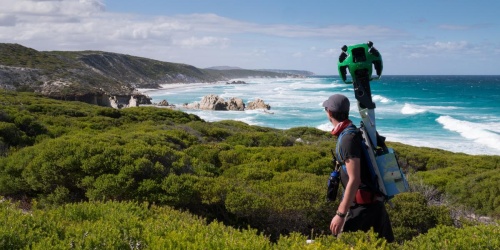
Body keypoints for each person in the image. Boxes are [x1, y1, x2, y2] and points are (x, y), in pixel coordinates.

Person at [323, 94, 394, 242]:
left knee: (346, 244)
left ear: (329, 112)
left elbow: (355, 180)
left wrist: (340, 214)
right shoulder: (352, 131)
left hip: (362, 211)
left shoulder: (348, 138)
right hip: (374, 205)